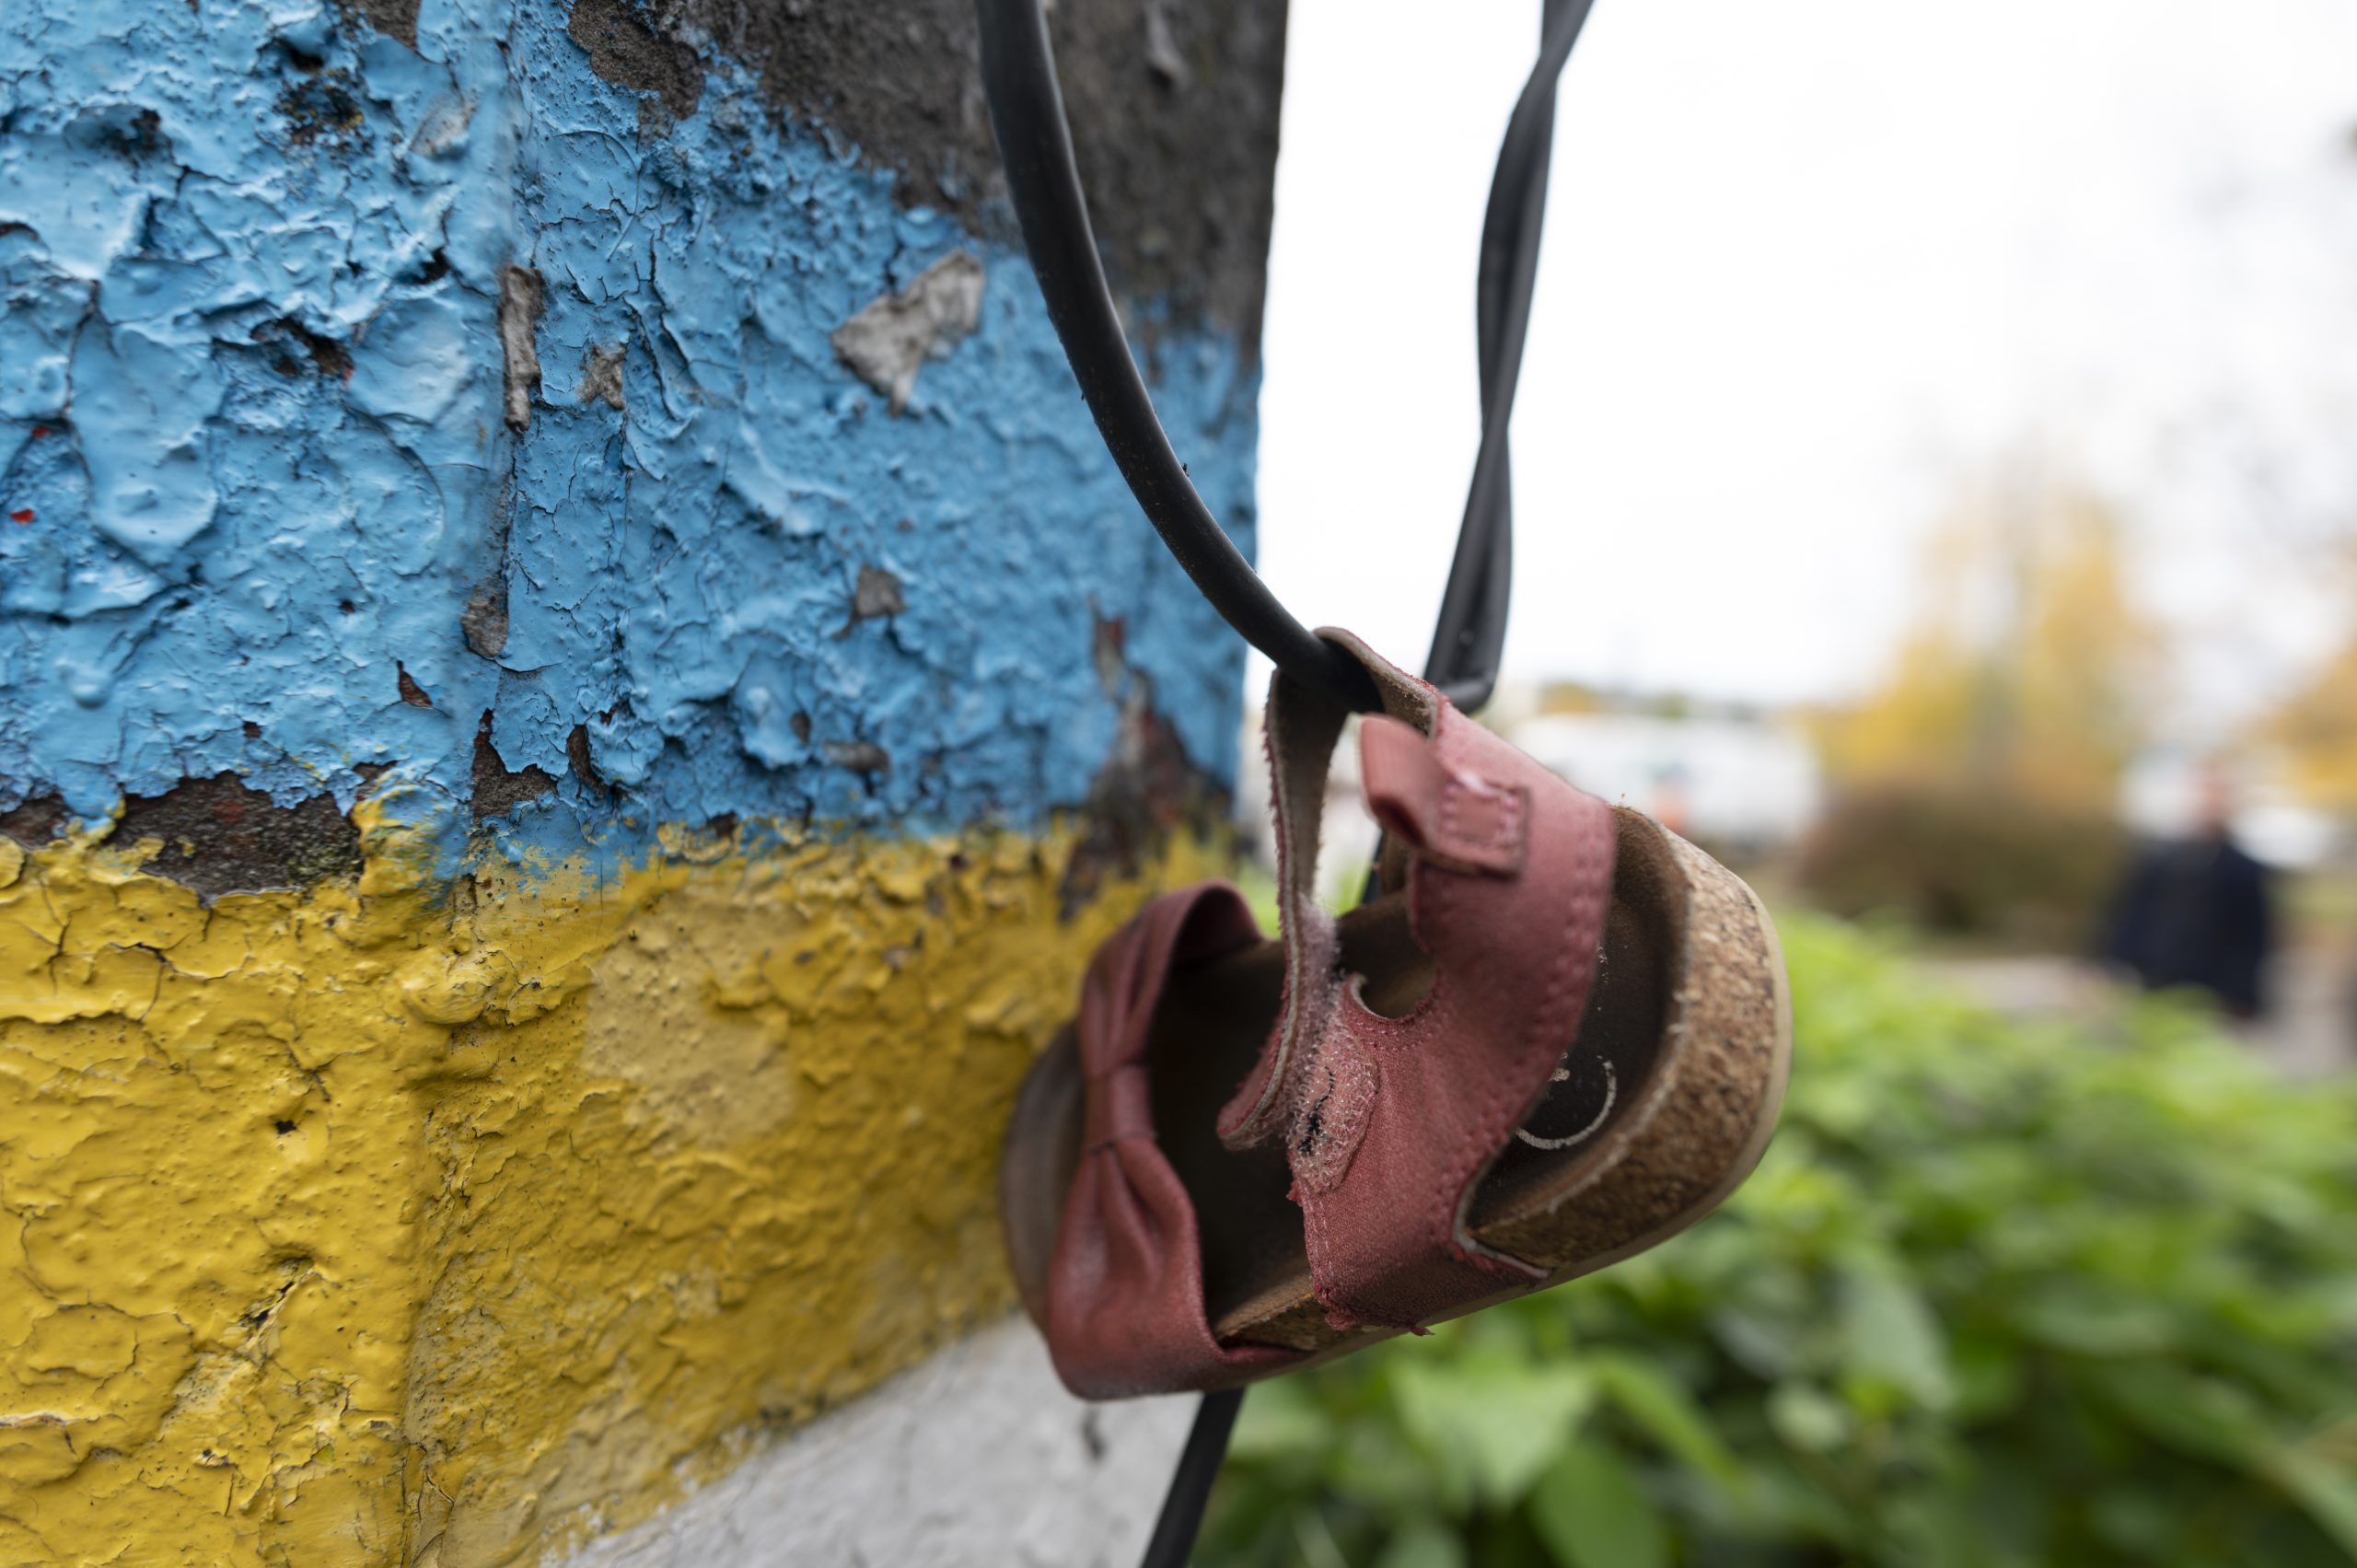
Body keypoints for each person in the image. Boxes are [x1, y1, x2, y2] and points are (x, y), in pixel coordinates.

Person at [2101, 768, 2274, 1020]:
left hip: (2211, 989)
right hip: (2153, 977)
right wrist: (2113, 963)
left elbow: (2253, 937)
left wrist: (2243, 995)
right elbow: (2130, 915)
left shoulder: (2244, 869)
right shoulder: (2159, 858)